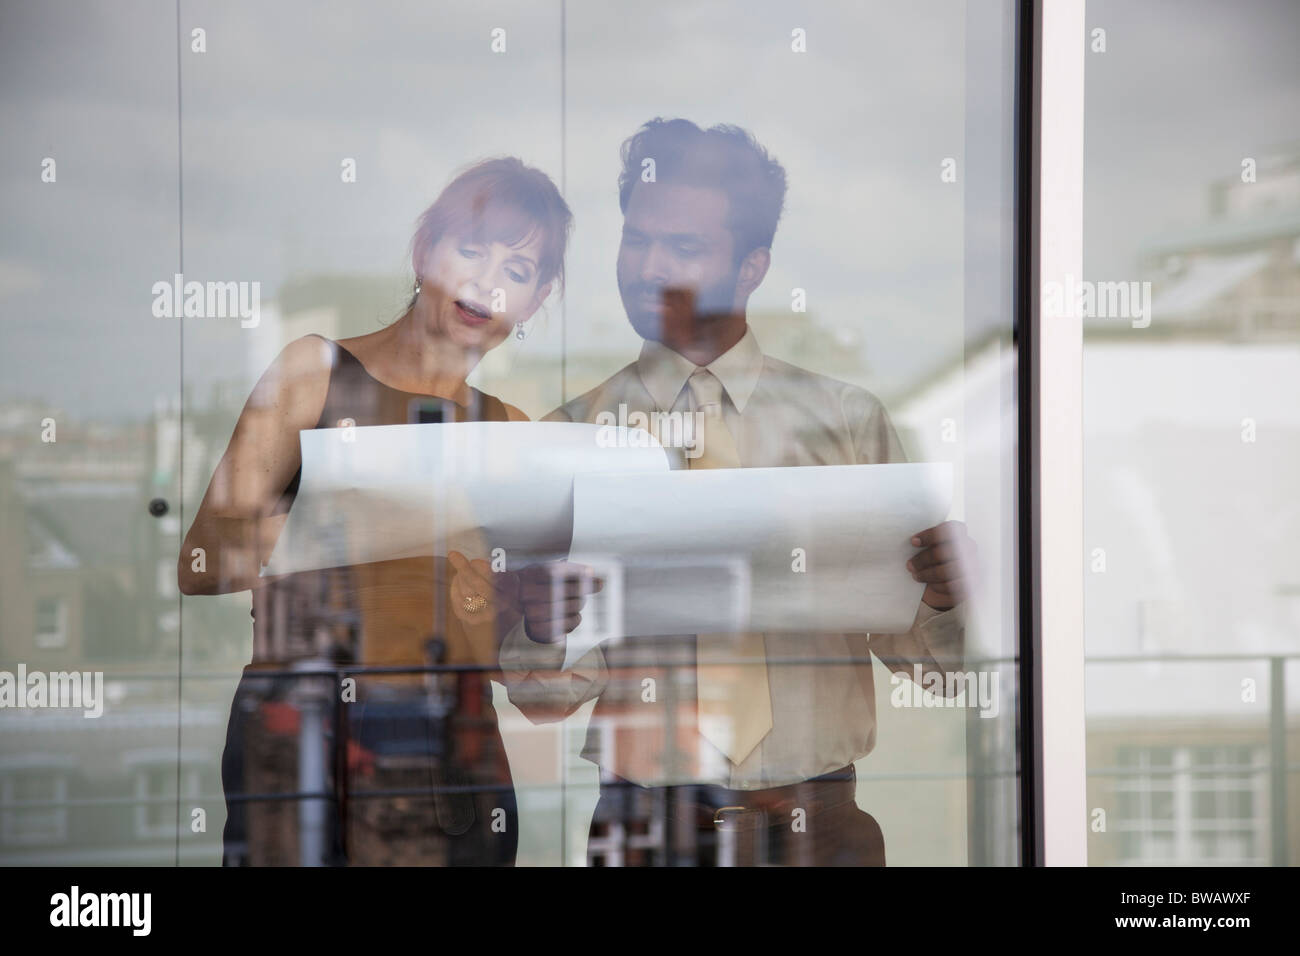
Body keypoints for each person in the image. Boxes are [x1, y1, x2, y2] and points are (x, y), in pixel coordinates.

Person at [463, 119, 977, 866]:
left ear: (752, 267)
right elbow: (543, 700)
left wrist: (946, 597)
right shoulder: (567, 439)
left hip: (822, 834)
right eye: (636, 239)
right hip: (646, 835)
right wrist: (546, 627)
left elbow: (937, 670)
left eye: (684, 247)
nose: (647, 266)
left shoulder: (847, 423)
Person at [178, 157, 571, 866]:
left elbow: (532, 687)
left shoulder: (513, 432)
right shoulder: (314, 373)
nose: (486, 282)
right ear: (425, 252)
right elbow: (201, 563)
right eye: (471, 249)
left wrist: (540, 615)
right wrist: (336, 532)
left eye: (516, 271)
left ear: (536, 301)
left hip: (457, 758)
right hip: (307, 738)